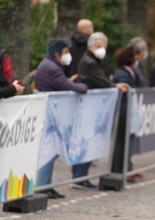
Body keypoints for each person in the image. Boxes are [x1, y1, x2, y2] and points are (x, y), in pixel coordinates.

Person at [72, 32, 128, 189]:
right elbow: (101, 80)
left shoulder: (97, 60)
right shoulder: (90, 61)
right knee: (87, 141)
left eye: (103, 46)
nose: (101, 49)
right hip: (90, 106)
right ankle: (79, 176)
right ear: (91, 46)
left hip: (94, 105)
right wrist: (113, 86)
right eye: (98, 46)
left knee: (89, 140)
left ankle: (80, 175)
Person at [34, 38, 88, 199]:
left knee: (53, 149)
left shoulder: (49, 65)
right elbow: (67, 86)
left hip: (52, 112)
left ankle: (46, 185)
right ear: (56, 53)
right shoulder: (53, 67)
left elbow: (60, 83)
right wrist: (83, 87)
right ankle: (43, 185)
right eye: (65, 52)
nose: (67, 55)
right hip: (52, 114)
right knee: (50, 150)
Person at [111, 45, 141, 182]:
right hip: (122, 113)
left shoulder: (129, 72)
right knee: (121, 143)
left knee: (126, 142)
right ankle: (118, 170)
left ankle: (125, 168)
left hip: (127, 112)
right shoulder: (122, 73)